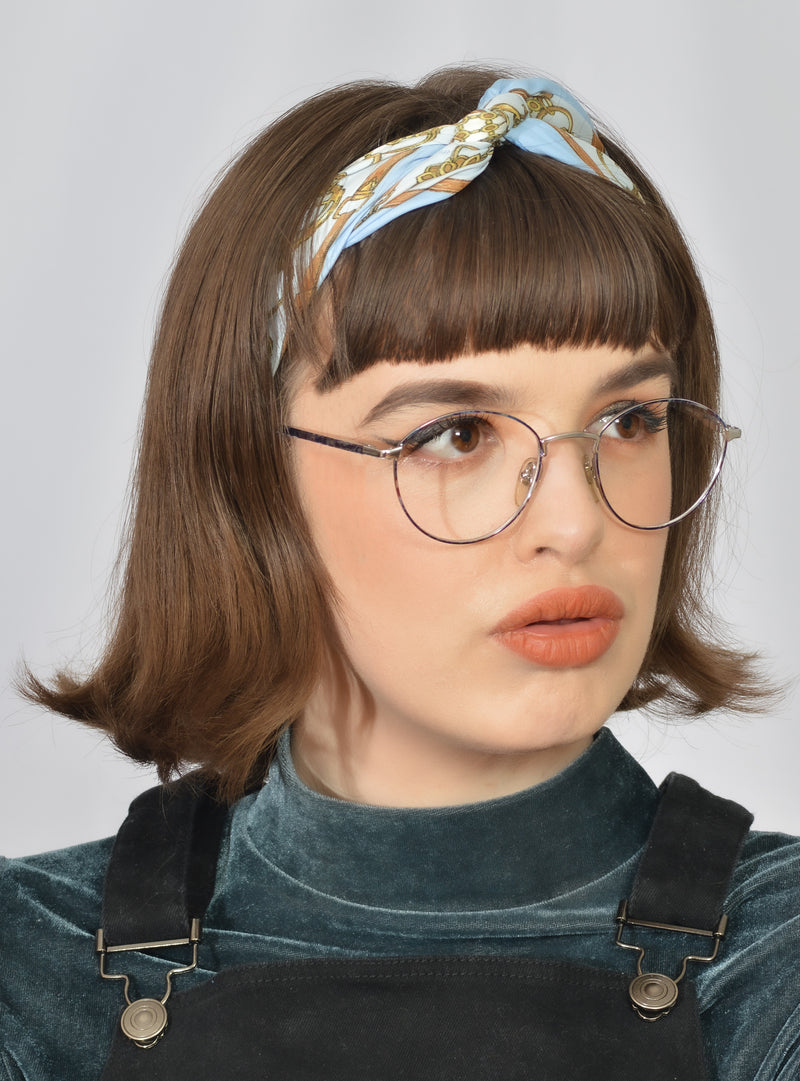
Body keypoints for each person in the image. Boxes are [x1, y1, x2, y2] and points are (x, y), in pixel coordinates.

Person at [1, 65, 797, 1081]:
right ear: (246, 474)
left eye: (629, 418)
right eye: (455, 432)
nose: (576, 521)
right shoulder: (28, 966)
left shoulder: (774, 964)